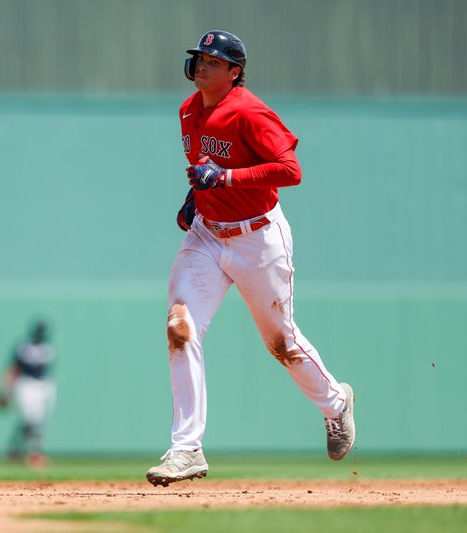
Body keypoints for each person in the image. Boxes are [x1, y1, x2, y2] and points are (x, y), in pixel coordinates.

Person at [146, 30, 355, 487]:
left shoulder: (249, 110)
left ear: (234, 71)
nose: (203, 65)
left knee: (282, 344)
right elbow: (206, 168)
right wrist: (195, 195)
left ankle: (336, 404)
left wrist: (224, 179)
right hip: (207, 235)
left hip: (258, 238)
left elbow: (289, 171)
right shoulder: (188, 110)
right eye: (200, 58)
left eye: (214, 61)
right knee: (179, 329)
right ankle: (186, 448)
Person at [0, 318, 56, 469]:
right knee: (30, 420)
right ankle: (34, 454)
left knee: (37, 421)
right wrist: (5, 389)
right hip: (27, 384)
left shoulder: (48, 347)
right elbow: (13, 369)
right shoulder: (23, 346)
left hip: (44, 384)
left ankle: (18, 447)